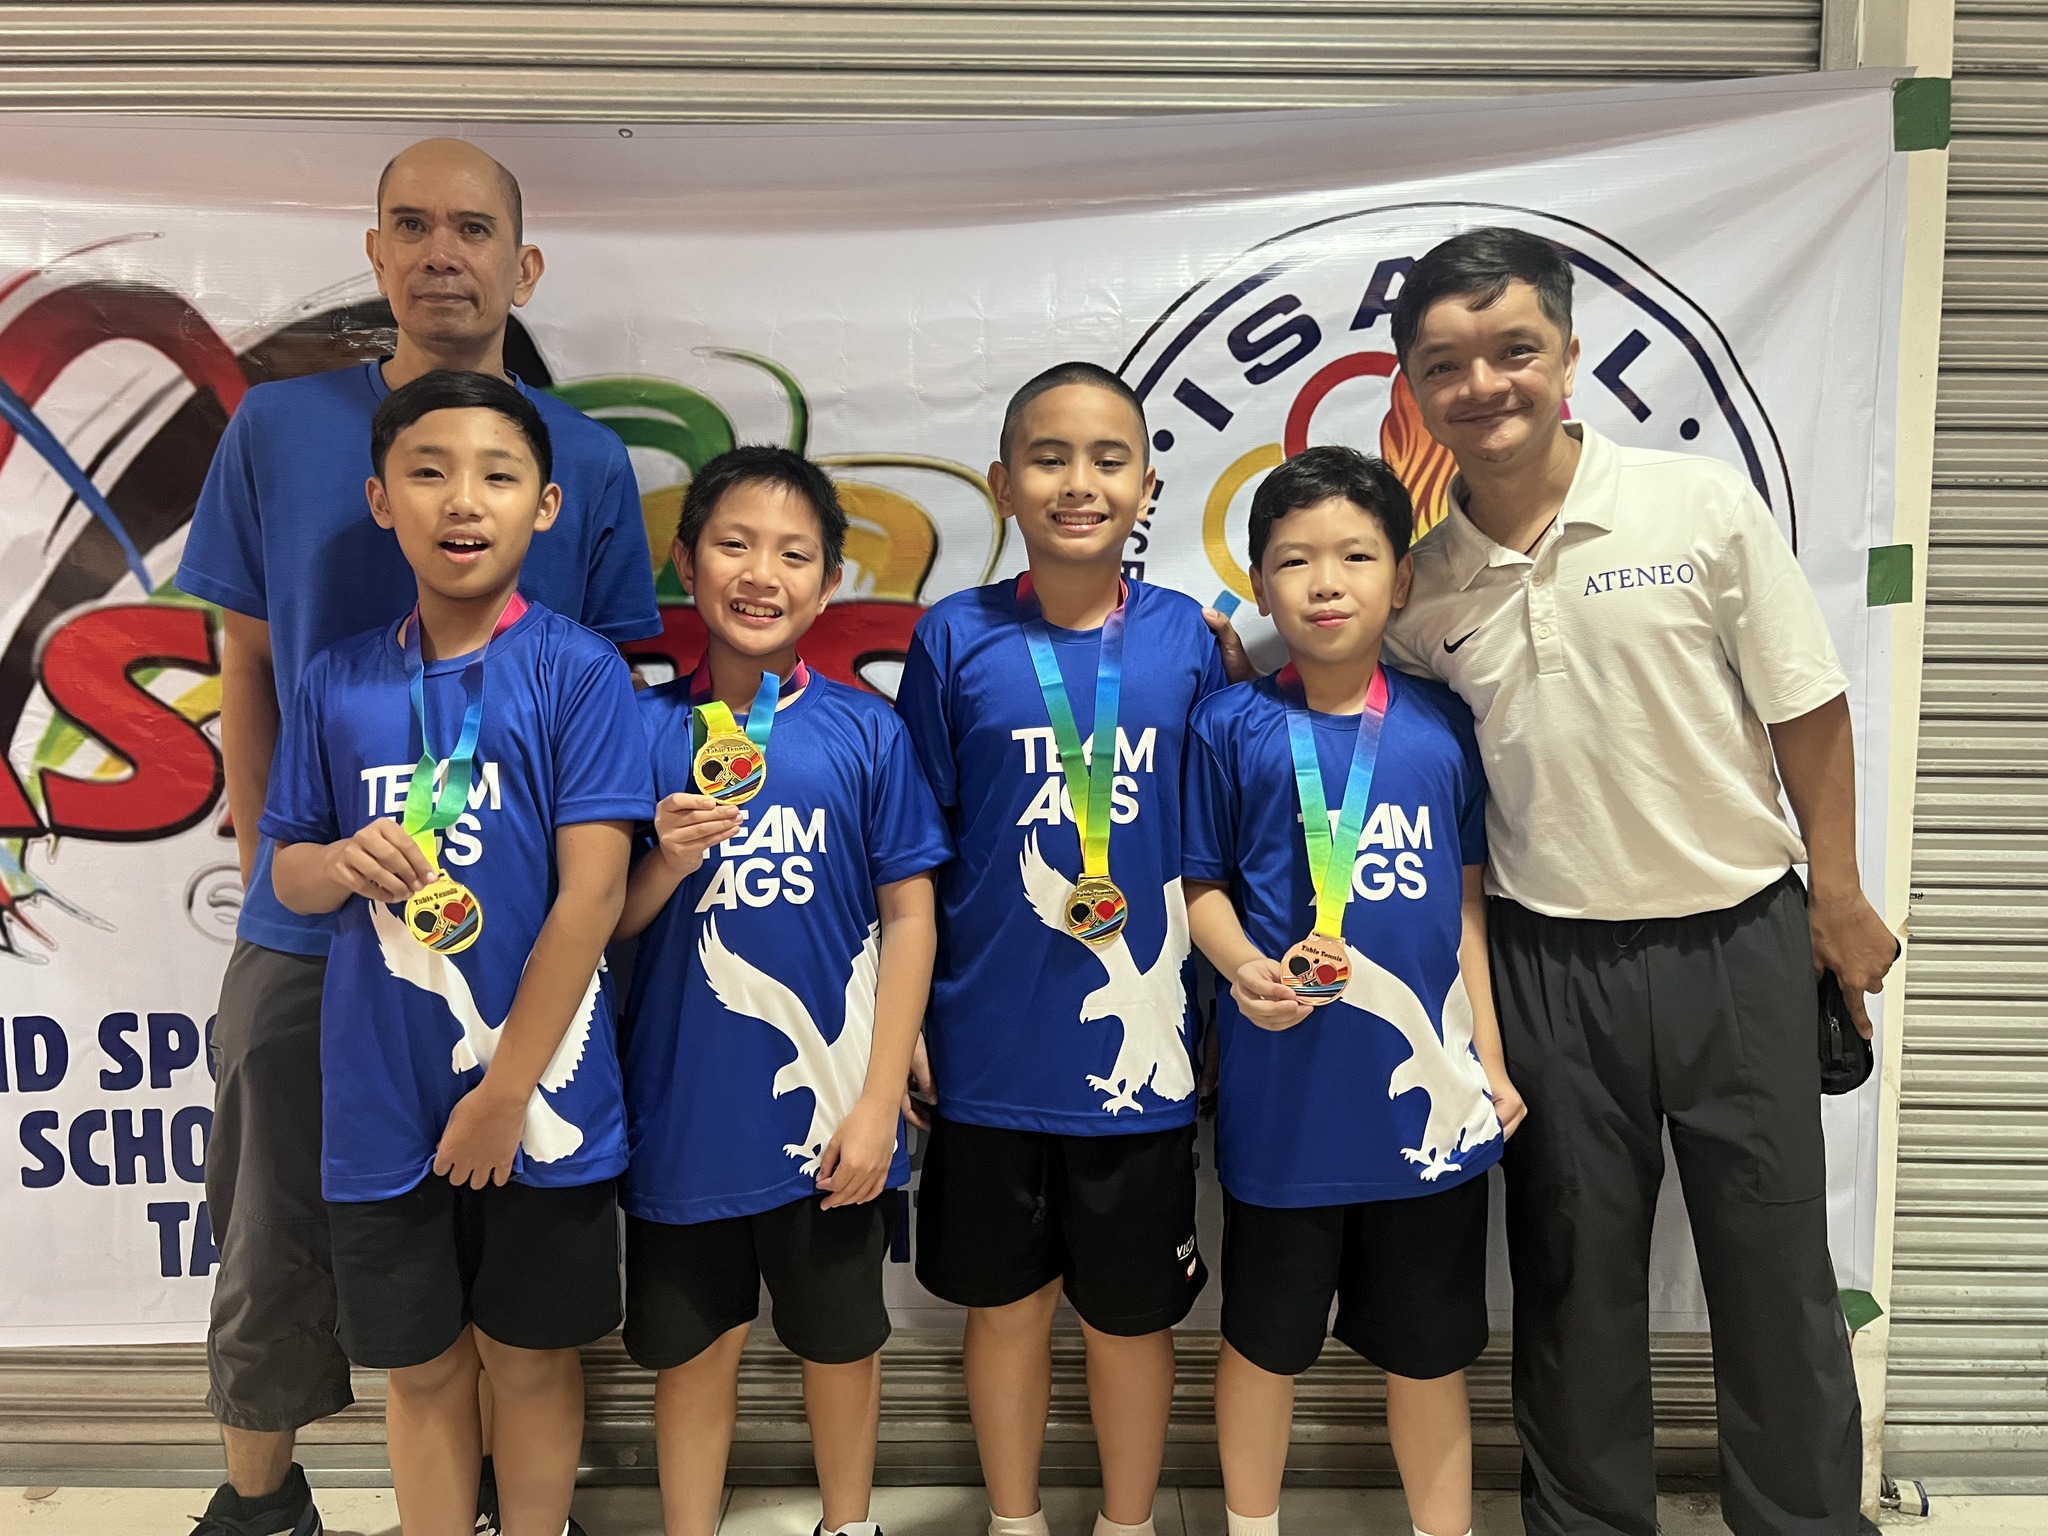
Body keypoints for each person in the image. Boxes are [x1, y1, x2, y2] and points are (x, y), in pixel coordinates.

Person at [175, 139, 660, 1536]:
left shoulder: (588, 459)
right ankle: (259, 1502)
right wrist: (288, 864)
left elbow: (606, 691)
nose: (442, 252)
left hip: (510, 929)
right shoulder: (282, 427)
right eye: (412, 226)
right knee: (280, 1229)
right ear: (375, 251)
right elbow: (248, 663)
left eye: (472, 227)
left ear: (524, 264)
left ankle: (509, 1503)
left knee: (515, 1239)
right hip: (318, 912)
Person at [1383, 226, 1898, 1536]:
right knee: (1571, 1288)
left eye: (1513, 350)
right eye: (1446, 363)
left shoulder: (1697, 508)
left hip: (1740, 945)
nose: (1483, 384)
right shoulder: (1425, 586)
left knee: (1777, 1281)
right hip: (1551, 968)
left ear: (1567, 354)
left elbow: (1811, 708)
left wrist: (1834, 898)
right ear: (1414, 388)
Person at [261, 370, 649, 1536]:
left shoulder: (576, 669)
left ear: (546, 506)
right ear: (382, 501)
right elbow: (282, 866)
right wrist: (339, 865)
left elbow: (591, 898)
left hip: (539, 1100)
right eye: (428, 473)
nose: (461, 500)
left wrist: (505, 1092)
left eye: (496, 474)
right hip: (383, 1103)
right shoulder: (337, 678)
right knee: (422, 1371)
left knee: (531, 1361)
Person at [894, 362, 1248, 1536]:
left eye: (1107, 459)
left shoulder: (1189, 644)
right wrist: (911, 1031)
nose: (1078, 483)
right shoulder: (953, 638)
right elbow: (916, 856)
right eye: (1048, 458)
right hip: (986, 1042)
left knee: (1128, 1317)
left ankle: (1126, 1523)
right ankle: (1012, 1519)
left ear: (1148, 484)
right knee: (1003, 1311)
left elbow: (1219, 845)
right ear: (1001, 484)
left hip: (1140, 1049)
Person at [1181, 445, 1525, 1536]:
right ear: (1261, 582)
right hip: (1283, 1106)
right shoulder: (1228, 728)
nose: (1324, 582)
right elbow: (1198, 889)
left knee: (1427, 1358)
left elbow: (1465, 909)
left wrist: (1495, 1066)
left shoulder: (1440, 723)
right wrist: (1239, 967)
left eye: (1354, 555)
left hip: (1426, 1107)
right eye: (1293, 561)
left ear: (1402, 578)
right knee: (1261, 1345)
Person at [612, 445, 951, 1536]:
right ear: (685, 560)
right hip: (679, 1115)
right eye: (734, 544)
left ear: (830, 580)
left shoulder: (865, 730)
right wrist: (659, 857)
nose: (761, 573)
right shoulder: (640, 730)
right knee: (691, 1353)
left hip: (831, 1112)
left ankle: (846, 1523)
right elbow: (596, 933)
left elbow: (909, 914)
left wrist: (874, 1099)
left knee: (842, 1346)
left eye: (793, 553)